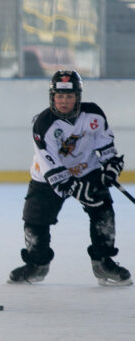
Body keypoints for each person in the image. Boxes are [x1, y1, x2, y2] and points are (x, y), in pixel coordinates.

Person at [8, 70, 131, 286]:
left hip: (87, 170)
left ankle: (103, 262)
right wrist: (74, 187)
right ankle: (37, 264)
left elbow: (105, 148)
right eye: (60, 96)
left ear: (78, 97)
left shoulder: (94, 115)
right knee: (34, 221)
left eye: (70, 96)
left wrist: (111, 167)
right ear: (52, 97)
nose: (64, 101)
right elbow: (53, 167)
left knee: (103, 211)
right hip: (47, 178)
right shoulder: (43, 124)